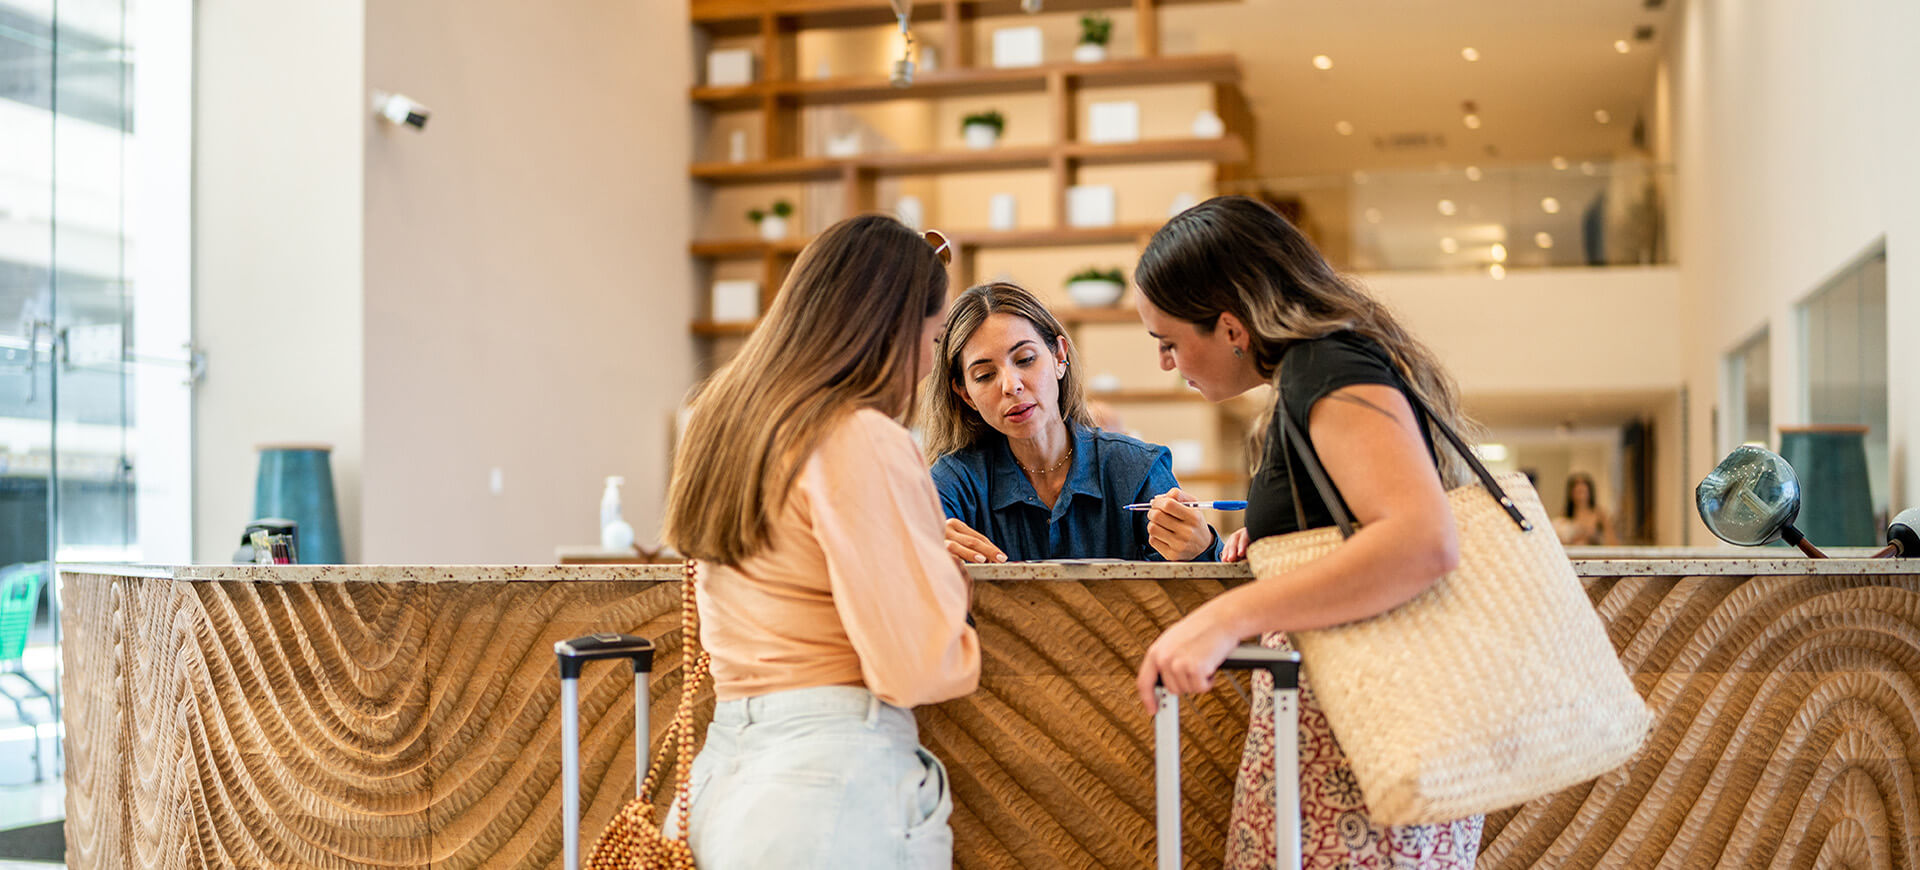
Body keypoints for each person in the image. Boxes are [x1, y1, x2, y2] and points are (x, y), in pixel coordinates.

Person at [1129, 195, 1481, 868]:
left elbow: (1421, 541)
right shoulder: (1321, 369)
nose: (1168, 366)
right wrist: (1280, 554)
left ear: (1230, 327)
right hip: (1352, 732)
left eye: (1169, 343)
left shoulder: (1326, 368)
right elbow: (1359, 533)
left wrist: (1225, 617)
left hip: (1362, 741)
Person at [662, 216, 980, 869]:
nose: (929, 361)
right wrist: (951, 585)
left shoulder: (721, 425)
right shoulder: (858, 435)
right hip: (828, 783)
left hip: (723, 774)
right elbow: (917, 664)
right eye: (935, 335)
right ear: (892, 329)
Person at [920, 281, 1221, 564]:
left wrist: (1203, 548)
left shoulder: (1137, 470)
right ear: (966, 395)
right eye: (985, 376)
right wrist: (918, 555)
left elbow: (1194, 595)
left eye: (1025, 359)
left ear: (1059, 357)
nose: (1011, 386)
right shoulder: (953, 484)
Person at [1555, 471, 1618, 546]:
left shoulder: (1599, 514)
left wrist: (1594, 537)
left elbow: (1612, 542)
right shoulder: (1564, 515)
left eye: (1583, 492)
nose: (1580, 496)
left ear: (1589, 493)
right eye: (1577, 492)